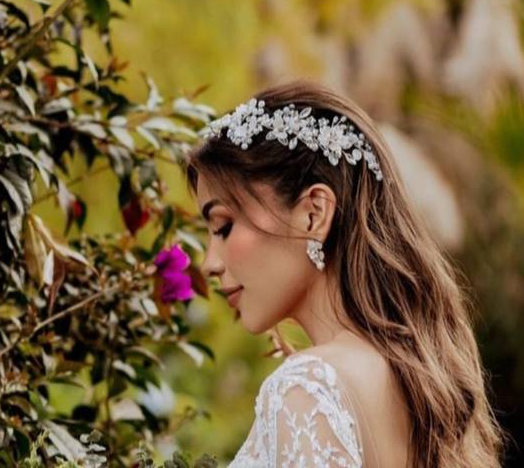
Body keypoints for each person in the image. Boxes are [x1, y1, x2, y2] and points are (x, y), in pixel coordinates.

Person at [186, 79, 504, 468]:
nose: (209, 263)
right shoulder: (416, 385)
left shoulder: (307, 389)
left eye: (223, 227)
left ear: (314, 213)